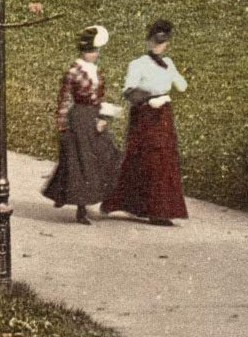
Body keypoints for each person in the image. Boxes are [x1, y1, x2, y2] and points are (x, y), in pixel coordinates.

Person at [103, 20, 190, 226]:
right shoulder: (139, 63)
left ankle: (159, 210)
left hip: (163, 115)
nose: (158, 46)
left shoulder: (168, 63)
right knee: (145, 159)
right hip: (144, 114)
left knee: (164, 158)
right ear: (149, 41)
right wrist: (148, 99)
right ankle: (148, 209)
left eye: (162, 42)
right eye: (155, 42)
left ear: (167, 43)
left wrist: (174, 77)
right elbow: (129, 90)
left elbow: (182, 86)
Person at [42, 24, 122, 224]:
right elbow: (64, 99)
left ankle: (69, 194)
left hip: (94, 116)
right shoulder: (73, 71)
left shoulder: (96, 71)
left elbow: (99, 97)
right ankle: (81, 208)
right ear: (83, 51)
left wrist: (104, 117)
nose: (94, 54)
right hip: (79, 117)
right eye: (90, 50)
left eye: (96, 50)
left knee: (108, 154)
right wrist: (62, 125)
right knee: (82, 162)